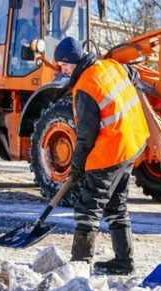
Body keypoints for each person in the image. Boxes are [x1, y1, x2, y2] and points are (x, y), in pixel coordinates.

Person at [53, 36, 150, 275]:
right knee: (116, 204)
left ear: (74, 62)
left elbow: (86, 136)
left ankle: (80, 263)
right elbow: (133, 74)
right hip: (133, 143)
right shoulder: (111, 66)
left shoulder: (86, 87)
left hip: (112, 150)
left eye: (64, 65)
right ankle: (123, 261)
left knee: (89, 206)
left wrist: (76, 167)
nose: (62, 69)